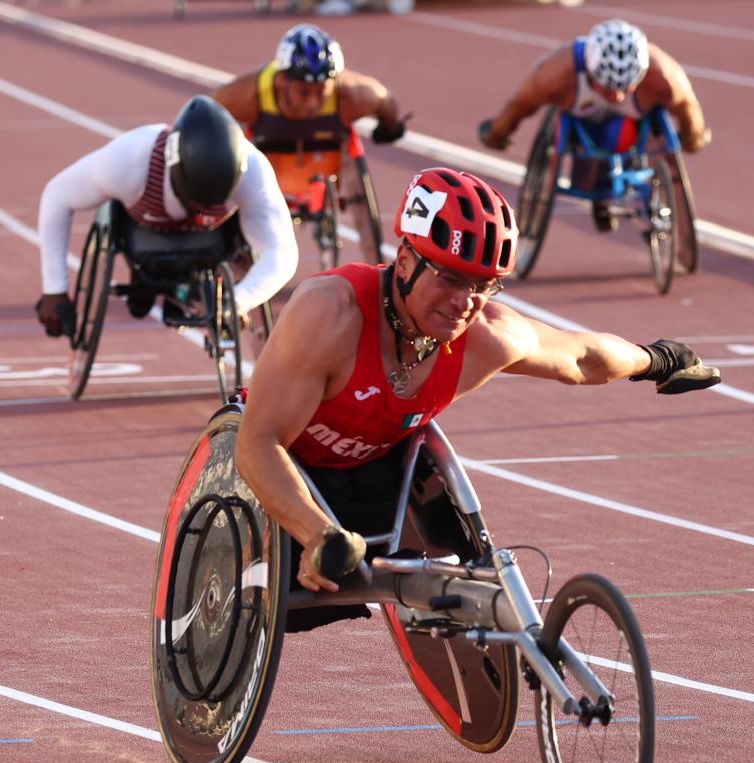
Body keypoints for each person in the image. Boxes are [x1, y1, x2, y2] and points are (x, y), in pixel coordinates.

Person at [233, 167, 718, 625]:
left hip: (379, 474)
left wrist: (657, 359)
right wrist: (316, 534)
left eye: (484, 285)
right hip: (281, 471)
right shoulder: (329, 314)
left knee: (458, 537)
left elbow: (583, 357)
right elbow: (258, 443)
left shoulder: (488, 336)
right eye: (450, 277)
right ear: (404, 261)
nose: (465, 301)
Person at [35, 95, 298, 337]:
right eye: (198, 197)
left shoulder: (253, 171)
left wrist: (238, 299)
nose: (202, 205)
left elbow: (280, 252)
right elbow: (57, 195)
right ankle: (144, 282)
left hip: (214, 240)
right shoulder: (126, 160)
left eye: (214, 198)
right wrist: (54, 289)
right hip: (144, 231)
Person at [478, 18, 710, 232]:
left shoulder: (665, 77)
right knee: (587, 145)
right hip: (583, 128)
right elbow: (519, 105)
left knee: (630, 129)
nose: (618, 97)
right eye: (609, 89)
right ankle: (599, 193)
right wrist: (498, 133)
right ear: (590, 71)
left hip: (631, 130)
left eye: (626, 87)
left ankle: (617, 190)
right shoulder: (555, 73)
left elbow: (689, 108)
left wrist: (693, 139)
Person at [211, 24, 406, 263]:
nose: (313, 103)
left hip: (323, 160)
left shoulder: (353, 94)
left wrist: (388, 128)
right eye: (304, 92)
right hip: (268, 157)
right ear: (282, 80)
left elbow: (386, 101)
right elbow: (211, 114)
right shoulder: (248, 94)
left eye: (321, 91)